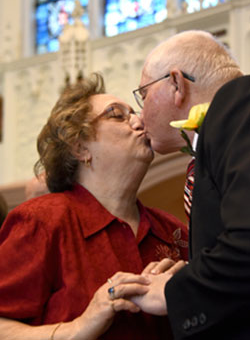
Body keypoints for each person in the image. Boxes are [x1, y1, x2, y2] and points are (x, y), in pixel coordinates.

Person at [0, 73, 188, 340]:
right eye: (117, 115)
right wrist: (78, 327)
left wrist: (193, 293)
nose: (139, 120)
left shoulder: (174, 231)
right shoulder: (40, 221)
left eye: (134, 112)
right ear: (80, 147)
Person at [123, 30, 249, 338]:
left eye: (143, 94)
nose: (140, 116)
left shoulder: (237, 104)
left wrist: (172, 291)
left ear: (176, 84)